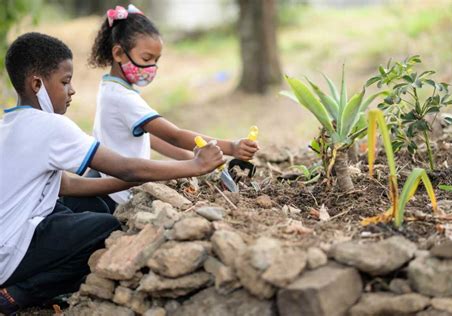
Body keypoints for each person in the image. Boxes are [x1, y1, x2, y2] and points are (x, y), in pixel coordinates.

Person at [0, 32, 224, 315]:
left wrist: (138, 179)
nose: (72, 91)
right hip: (9, 254)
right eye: (65, 82)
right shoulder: (51, 126)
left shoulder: (8, 124)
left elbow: (65, 184)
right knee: (106, 228)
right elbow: (126, 167)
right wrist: (195, 166)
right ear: (37, 84)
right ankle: (18, 294)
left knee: (86, 206)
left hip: (8, 235)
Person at [89, 4, 259, 205]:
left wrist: (197, 161)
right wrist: (231, 147)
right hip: (117, 196)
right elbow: (174, 136)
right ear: (118, 53)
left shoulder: (110, 87)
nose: (152, 67)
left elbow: (152, 139)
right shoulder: (123, 99)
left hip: (105, 185)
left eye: (156, 60)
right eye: (146, 58)